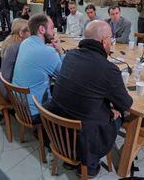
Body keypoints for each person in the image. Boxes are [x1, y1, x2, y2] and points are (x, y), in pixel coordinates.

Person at [47, 20, 133, 177]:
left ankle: (71, 156)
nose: (111, 42)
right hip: (83, 133)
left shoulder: (70, 55)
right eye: (111, 39)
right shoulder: (109, 69)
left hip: (58, 128)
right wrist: (112, 110)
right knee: (121, 115)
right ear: (103, 41)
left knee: (93, 102)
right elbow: (127, 103)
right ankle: (91, 163)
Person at [12, 14, 64, 120]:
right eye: (51, 27)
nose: (53, 31)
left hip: (19, 104)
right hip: (35, 110)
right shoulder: (47, 52)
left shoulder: (25, 43)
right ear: (41, 29)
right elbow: (64, 75)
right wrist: (60, 50)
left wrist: (47, 49)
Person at [0, 19, 31, 99]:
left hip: (2, 85)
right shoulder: (18, 47)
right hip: (9, 91)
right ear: (21, 33)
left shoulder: (9, 41)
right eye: (30, 31)